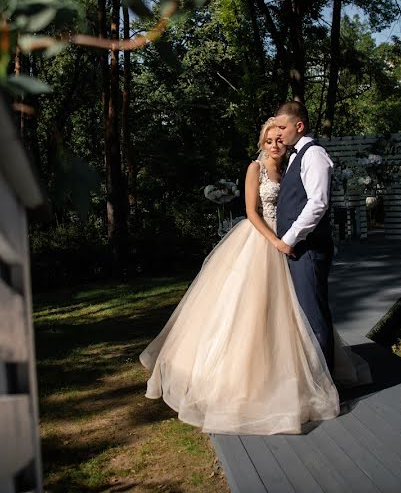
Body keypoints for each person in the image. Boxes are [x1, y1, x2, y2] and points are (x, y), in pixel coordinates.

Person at [139, 118, 370, 435]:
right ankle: (240, 379)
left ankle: (288, 372)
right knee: (247, 309)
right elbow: (251, 211)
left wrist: (287, 239)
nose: (275, 144)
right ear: (262, 141)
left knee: (285, 311)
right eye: (270, 140)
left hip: (286, 242)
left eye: (279, 139)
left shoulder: (290, 165)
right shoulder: (255, 168)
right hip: (260, 241)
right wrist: (275, 240)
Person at [272, 101, 338, 368]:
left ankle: (326, 384)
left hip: (308, 248)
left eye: (282, 126)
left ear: (299, 126)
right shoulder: (296, 155)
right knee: (305, 313)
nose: (278, 132)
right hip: (300, 248)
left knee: (313, 315)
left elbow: (318, 203)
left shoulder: (314, 154)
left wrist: (289, 239)